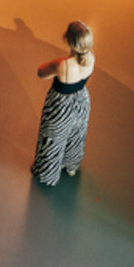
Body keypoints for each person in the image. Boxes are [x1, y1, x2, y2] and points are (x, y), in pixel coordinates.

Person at [31, 21, 95, 186]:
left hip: (61, 106)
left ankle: (48, 174)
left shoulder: (62, 64)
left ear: (68, 40)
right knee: (76, 135)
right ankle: (72, 166)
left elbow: (41, 72)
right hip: (82, 100)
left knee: (53, 139)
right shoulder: (91, 58)